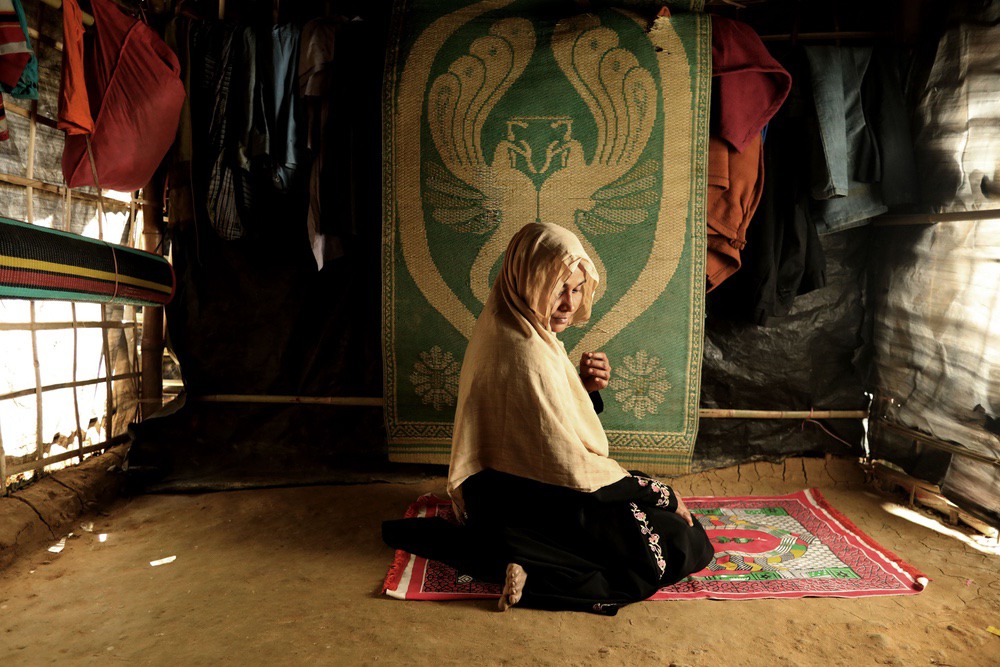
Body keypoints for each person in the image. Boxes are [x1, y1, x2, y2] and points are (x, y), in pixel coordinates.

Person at [383, 223, 714, 615]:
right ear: (529, 279)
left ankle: (521, 560)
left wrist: (586, 390)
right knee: (678, 540)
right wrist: (661, 492)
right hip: (529, 499)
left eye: (576, 289)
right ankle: (540, 574)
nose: (570, 304)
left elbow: (543, 435)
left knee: (637, 510)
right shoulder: (525, 352)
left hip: (494, 499)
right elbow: (571, 467)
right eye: (559, 288)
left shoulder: (506, 323)